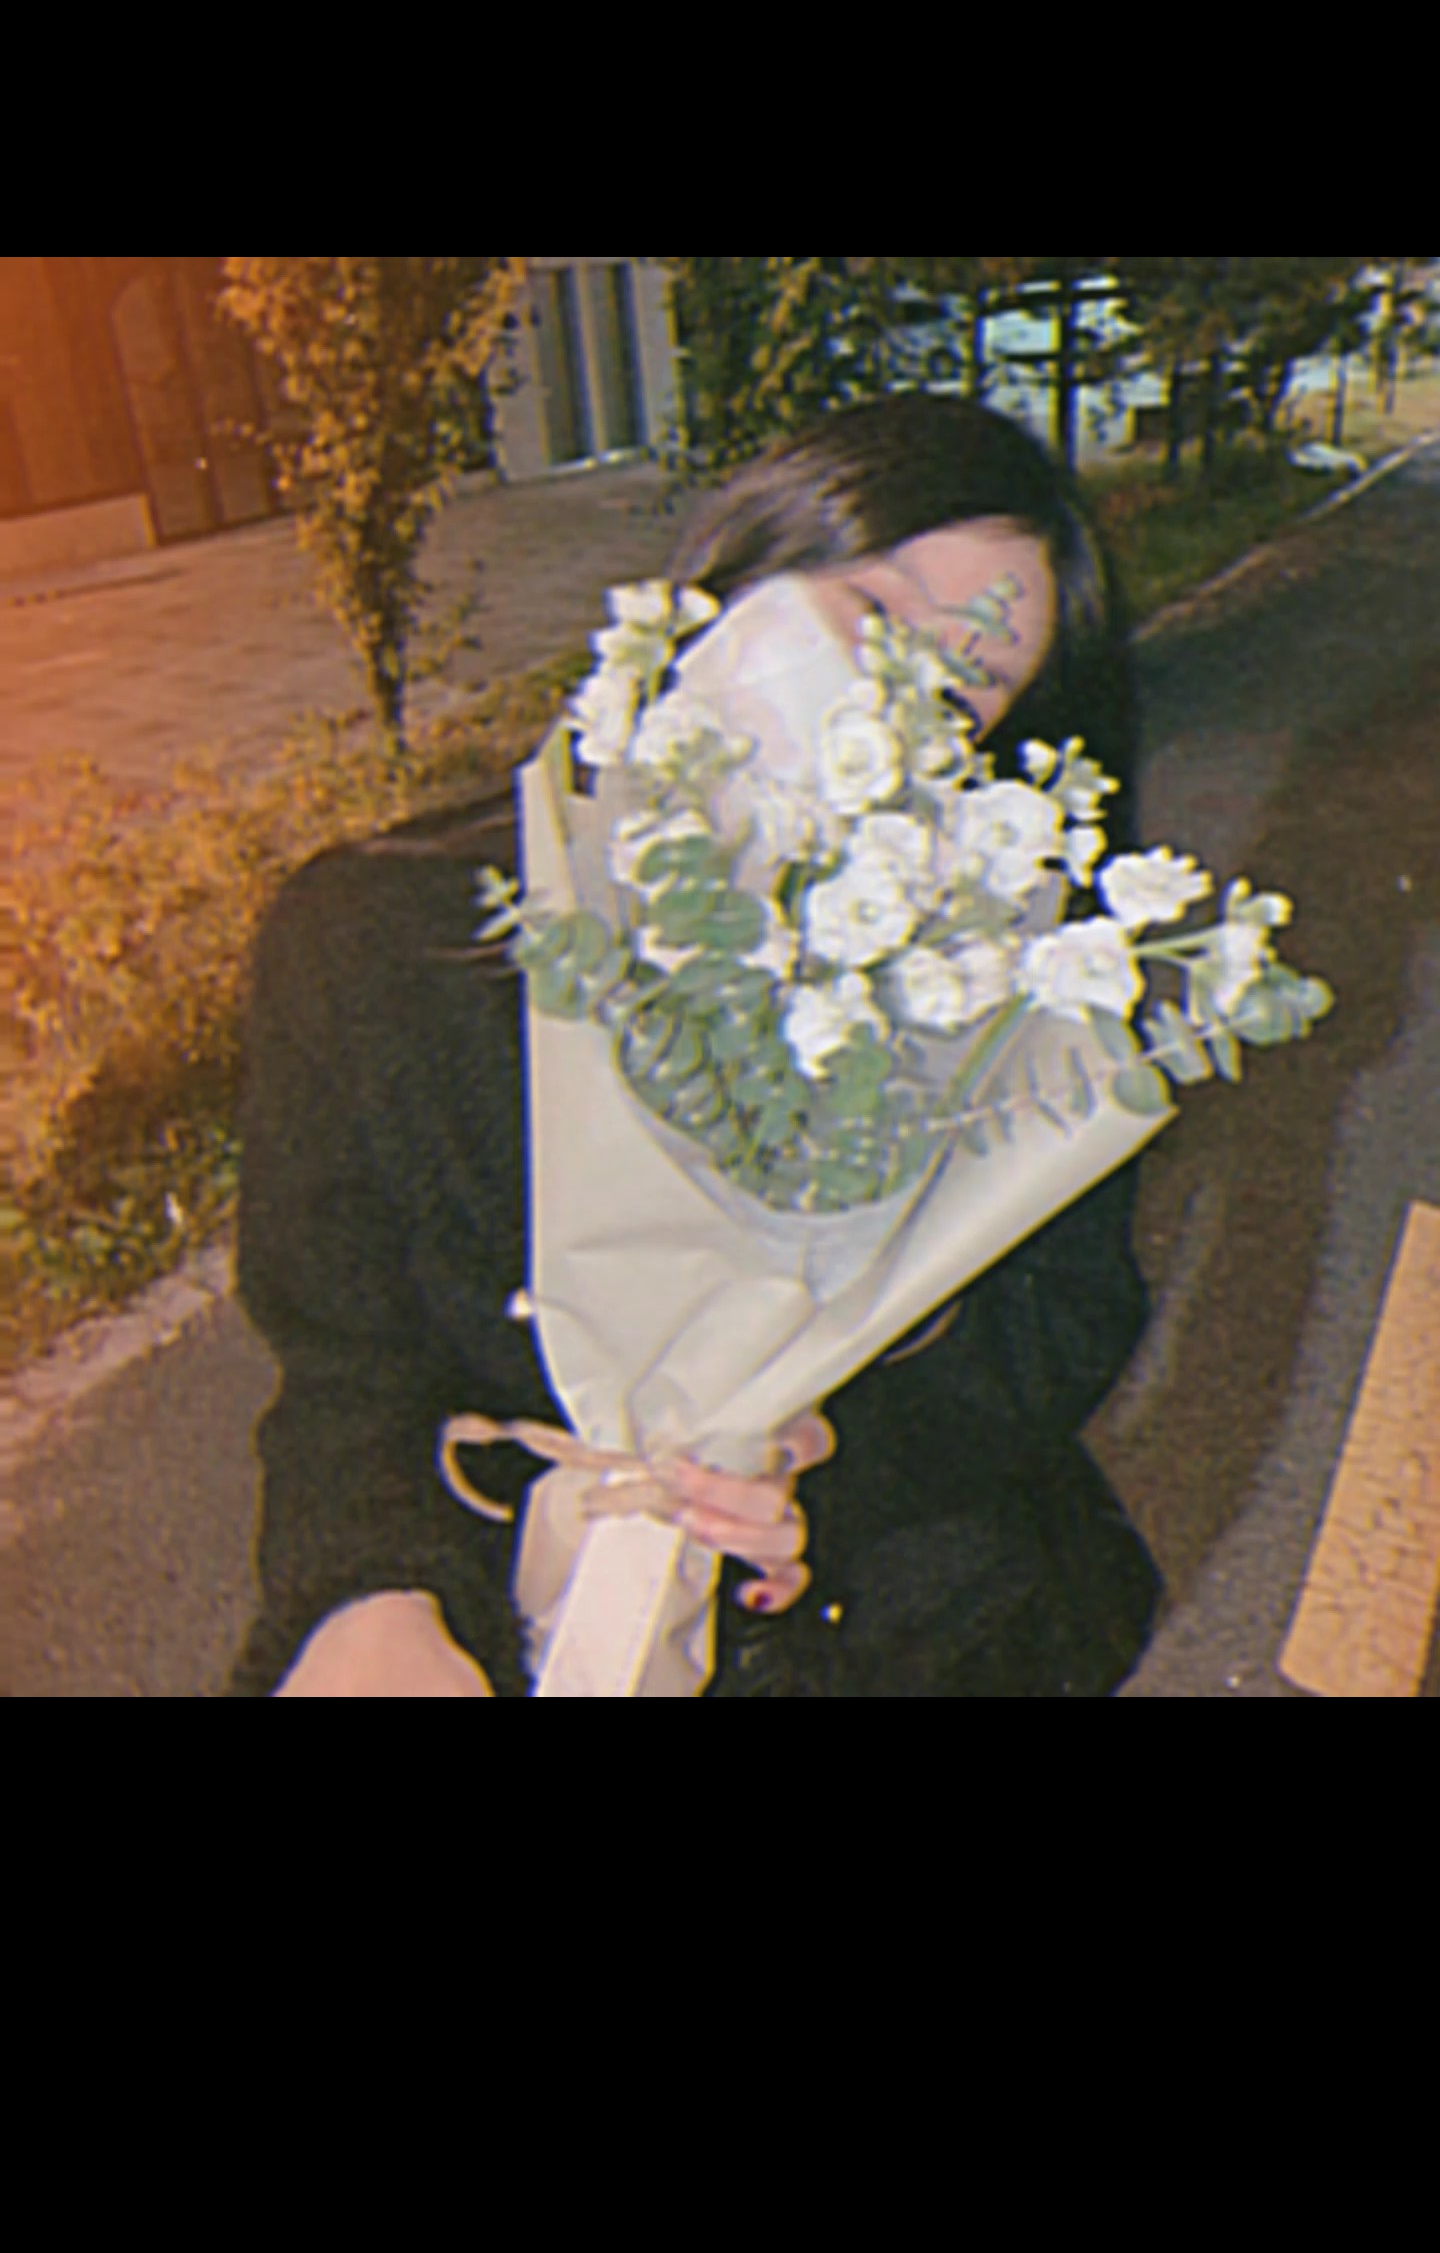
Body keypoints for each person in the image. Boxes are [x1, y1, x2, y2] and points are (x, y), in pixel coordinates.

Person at [224, 393, 1164, 1698]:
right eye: (871, 615)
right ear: (733, 586)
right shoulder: (374, 940)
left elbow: (1060, 1317)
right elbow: (342, 1358)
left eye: (965, 686)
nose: (891, 706)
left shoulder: (1004, 990)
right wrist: (369, 1597)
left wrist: (825, 1453)